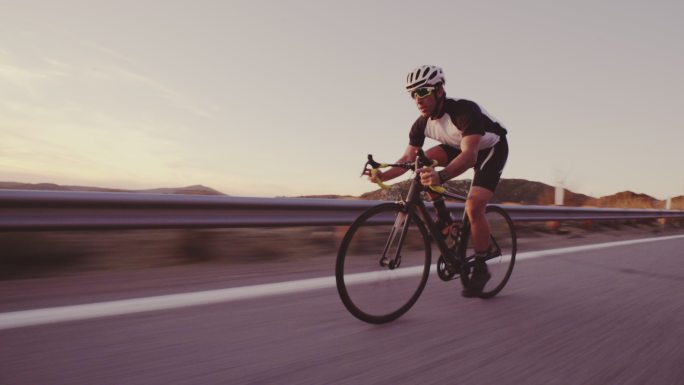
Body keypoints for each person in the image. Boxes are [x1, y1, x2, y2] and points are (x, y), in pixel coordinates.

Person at [369, 65, 509, 297]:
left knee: (474, 206)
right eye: (413, 94)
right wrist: (382, 175)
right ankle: (444, 219)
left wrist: (441, 176)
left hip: (489, 149)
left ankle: (482, 266)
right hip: (458, 147)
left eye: (423, 92)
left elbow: (470, 155)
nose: (418, 99)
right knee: (419, 163)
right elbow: (407, 158)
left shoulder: (464, 111)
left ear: (439, 90)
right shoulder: (421, 124)